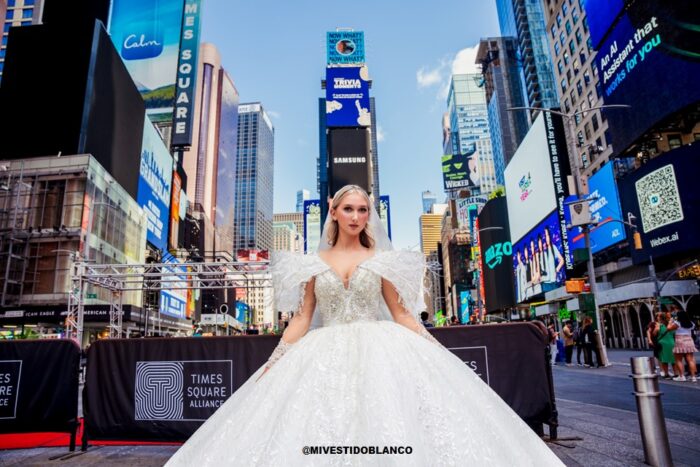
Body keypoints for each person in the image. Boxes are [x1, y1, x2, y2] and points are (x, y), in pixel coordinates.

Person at [166, 185, 563, 466]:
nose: (356, 216)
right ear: (334, 212)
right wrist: (278, 358)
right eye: (349, 209)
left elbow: (403, 313)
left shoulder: (381, 261)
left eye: (363, 209)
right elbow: (302, 317)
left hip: (381, 350)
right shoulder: (310, 263)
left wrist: (433, 348)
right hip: (321, 352)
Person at [672, 311, 697, 382]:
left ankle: (682, 376)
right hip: (689, 340)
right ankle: (693, 377)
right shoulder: (691, 323)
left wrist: (671, 321)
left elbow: (669, 328)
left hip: (680, 340)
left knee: (678, 359)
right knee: (690, 359)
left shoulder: (677, 323)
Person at [652, 311, 678, 379]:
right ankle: (676, 373)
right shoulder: (672, 325)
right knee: (673, 359)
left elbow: (654, 334)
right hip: (671, 342)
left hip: (662, 343)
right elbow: (675, 334)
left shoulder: (659, 325)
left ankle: (666, 374)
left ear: (660, 318)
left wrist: (656, 328)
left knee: (664, 359)